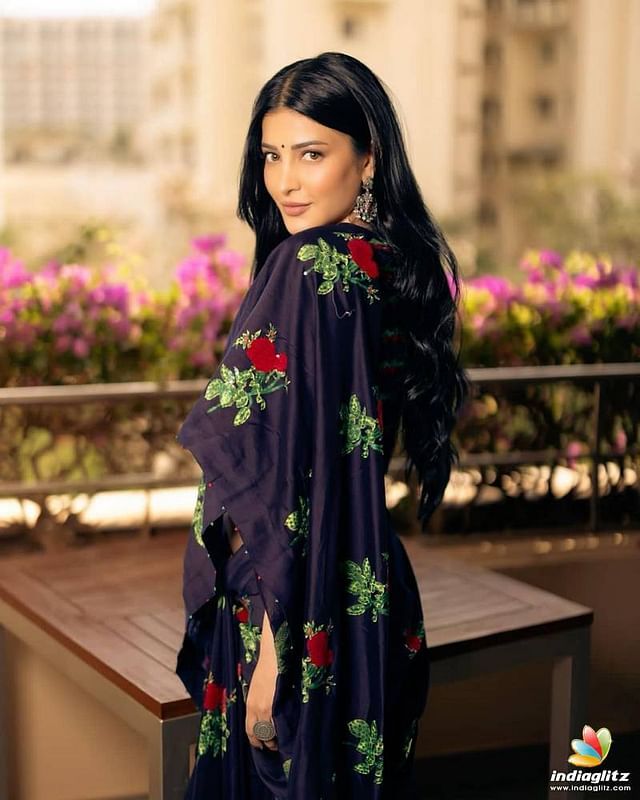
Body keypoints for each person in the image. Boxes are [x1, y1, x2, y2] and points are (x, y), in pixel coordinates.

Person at [174, 51, 469, 800]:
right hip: (371, 595)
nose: (285, 181)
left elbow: (278, 489)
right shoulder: (397, 263)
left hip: (297, 618)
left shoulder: (306, 268)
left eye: (312, 153)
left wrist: (275, 653)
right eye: (272, 155)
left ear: (366, 157)